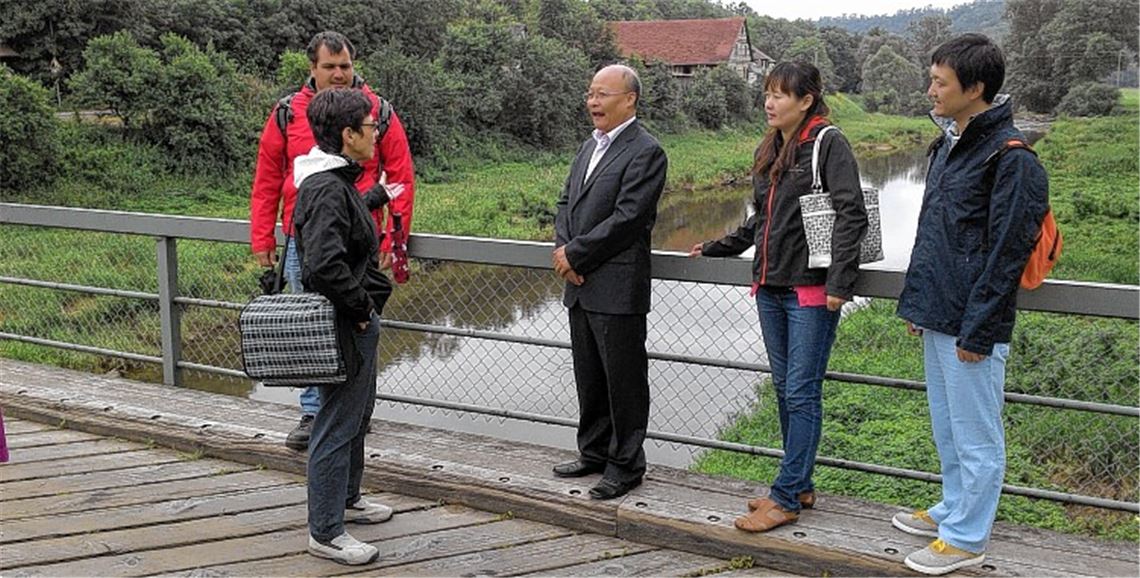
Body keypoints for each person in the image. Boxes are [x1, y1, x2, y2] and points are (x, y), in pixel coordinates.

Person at [892, 34, 1048, 576]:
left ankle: (967, 538)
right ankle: (952, 509)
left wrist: (978, 332)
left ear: (975, 88)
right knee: (948, 427)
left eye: (940, 81)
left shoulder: (1012, 159)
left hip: (972, 327)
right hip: (940, 312)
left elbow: (1006, 255)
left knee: (978, 436)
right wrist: (921, 304)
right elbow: (935, 234)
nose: (930, 89)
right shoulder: (950, 145)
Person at [689, 61, 867, 532]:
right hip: (769, 287)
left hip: (809, 289)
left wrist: (840, 283)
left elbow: (852, 214)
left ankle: (785, 497)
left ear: (806, 100)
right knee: (787, 390)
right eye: (767, 94)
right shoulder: (772, 147)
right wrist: (716, 246)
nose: (769, 102)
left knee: (802, 392)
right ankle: (800, 484)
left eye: (780, 95)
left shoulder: (828, 143)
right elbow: (759, 221)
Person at [249, 31, 415, 452]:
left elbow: (399, 174)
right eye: (330, 67)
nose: (339, 74)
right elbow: (268, 178)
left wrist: (395, 237)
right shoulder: (288, 112)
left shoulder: (376, 111)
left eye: (345, 66)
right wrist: (262, 236)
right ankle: (314, 412)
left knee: (357, 323)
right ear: (313, 69)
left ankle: (353, 407)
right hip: (302, 237)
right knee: (314, 326)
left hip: (360, 240)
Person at [292, 87, 400, 565]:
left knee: (355, 417)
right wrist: (360, 311)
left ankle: (348, 501)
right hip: (342, 324)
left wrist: (378, 195)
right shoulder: (324, 187)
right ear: (348, 134)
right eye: (371, 126)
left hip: (352, 322)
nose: (377, 133)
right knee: (336, 423)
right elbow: (323, 265)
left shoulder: (335, 180)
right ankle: (326, 531)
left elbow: (346, 221)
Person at [551, 64, 667, 500]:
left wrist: (575, 254)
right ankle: (594, 452)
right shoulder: (589, 146)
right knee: (590, 375)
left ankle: (626, 465)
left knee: (624, 380)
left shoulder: (647, 151)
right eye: (590, 93)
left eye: (602, 94)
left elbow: (629, 218)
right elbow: (566, 202)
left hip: (617, 286)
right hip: (580, 283)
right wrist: (565, 251)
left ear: (629, 99)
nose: (592, 102)